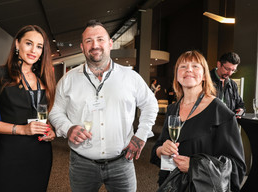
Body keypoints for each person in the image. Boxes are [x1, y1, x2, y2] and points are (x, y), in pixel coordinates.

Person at [49, 20, 158, 192]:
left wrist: (142, 134)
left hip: (122, 163)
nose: (95, 45)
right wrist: (68, 128)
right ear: (82, 47)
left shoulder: (130, 77)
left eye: (100, 39)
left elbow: (150, 104)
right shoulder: (68, 79)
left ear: (110, 44)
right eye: (89, 41)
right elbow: (55, 112)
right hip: (81, 164)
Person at [150, 51, 246, 191]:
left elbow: (237, 167)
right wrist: (161, 150)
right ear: (177, 75)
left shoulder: (220, 112)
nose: (188, 69)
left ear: (204, 75)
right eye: (183, 66)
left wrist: (195, 167)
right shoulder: (172, 109)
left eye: (195, 66)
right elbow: (157, 149)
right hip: (171, 185)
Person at [0, 25, 56, 192]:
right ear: (17, 44)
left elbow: (42, 113)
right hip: (10, 154)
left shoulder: (43, 79)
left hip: (40, 153)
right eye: (29, 43)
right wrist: (21, 129)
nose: (34, 50)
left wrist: (49, 130)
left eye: (39, 46)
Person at [210, 52, 245, 117]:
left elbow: (240, 104)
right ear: (219, 64)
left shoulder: (233, 84)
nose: (230, 73)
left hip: (228, 124)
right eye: (227, 69)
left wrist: (241, 111)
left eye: (233, 70)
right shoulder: (205, 80)